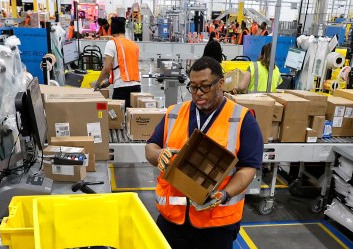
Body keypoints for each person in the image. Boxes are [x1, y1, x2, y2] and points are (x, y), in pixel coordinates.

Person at [145, 56, 263, 249]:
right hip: (172, 221)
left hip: (216, 225)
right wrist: (159, 155)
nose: (198, 93)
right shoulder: (174, 113)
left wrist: (224, 194)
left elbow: (248, 168)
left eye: (205, 86)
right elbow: (151, 146)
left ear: (221, 83)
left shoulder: (243, 120)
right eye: (193, 87)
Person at [94, 17, 141, 108]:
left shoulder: (111, 43)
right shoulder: (134, 45)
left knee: (117, 119)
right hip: (136, 87)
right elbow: (122, 67)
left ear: (112, 29)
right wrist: (107, 83)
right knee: (131, 118)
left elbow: (106, 69)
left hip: (121, 88)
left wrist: (97, 83)